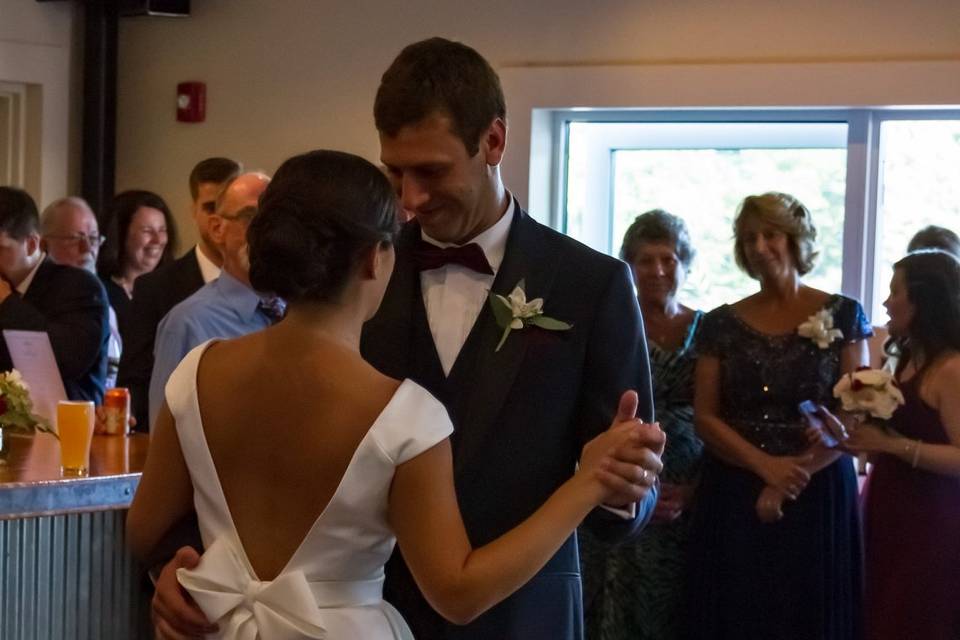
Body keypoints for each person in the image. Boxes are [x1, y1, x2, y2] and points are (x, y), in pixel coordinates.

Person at [150, 38, 662, 640]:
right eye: (395, 172)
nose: (410, 199)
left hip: (524, 616)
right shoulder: (353, 268)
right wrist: (179, 563)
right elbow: (252, 451)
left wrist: (622, 487)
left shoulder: (590, 284)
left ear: (493, 142)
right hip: (354, 614)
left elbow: (627, 480)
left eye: (432, 171)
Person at [686, 192, 869, 639]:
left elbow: (858, 410)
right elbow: (705, 417)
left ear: (795, 239)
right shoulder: (719, 323)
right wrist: (766, 467)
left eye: (771, 234)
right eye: (749, 238)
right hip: (734, 487)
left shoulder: (843, 313)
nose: (759, 246)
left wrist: (794, 476)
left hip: (818, 486)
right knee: (738, 613)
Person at [580, 210, 704, 640]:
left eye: (669, 259)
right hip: (616, 476)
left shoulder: (708, 329)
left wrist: (694, 490)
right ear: (628, 265)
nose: (657, 270)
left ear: (685, 265)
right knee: (606, 592)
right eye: (645, 260)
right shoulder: (610, 320)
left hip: (685, 490)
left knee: (673, 604)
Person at [841, 250, 960, 640]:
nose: (886, 302)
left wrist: (893, 447)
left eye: (896, 292)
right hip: (890, 508)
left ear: (923, 300)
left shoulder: (951, 369)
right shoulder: (907, 357)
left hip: (931, 522)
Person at [118, 157, 241, 430]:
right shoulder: (156, 287)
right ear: (193, 210)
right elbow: (135, 381)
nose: (218, 219)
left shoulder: (274, 291)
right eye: (210, 207)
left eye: (231, 210)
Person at [147, 173, 273, 430]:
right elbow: (165, 435)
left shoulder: (302, 313)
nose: (266, 233)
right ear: (217, 229)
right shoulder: (189, 323)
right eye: (250, 217)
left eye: (275, 219)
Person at [0, 187, 110, 403]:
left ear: (32, 244)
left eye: (0, 248)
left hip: (67, 428)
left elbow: (67, 360)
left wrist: (6, 302)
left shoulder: (80, 287)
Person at [97, 190, 178, 344]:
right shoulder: (99, 291)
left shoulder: (175, 289)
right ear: (120, 234)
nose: (157, 240)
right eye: (147, 231)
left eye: (162, 230)